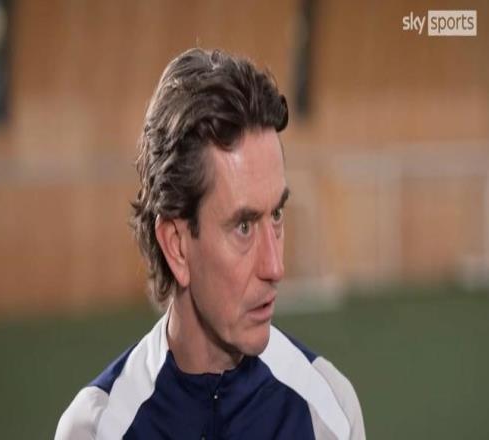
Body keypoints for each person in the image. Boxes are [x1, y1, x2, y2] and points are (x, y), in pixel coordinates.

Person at [55, 48, 365, 440]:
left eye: (276, 215)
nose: (275, 267)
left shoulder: (329, 414)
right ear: (177, 246)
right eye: (244, 226)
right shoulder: (98, 430)